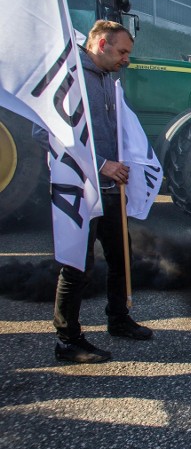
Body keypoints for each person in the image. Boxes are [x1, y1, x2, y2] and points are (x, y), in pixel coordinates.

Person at [33, 20, 153, 365]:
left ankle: (118, 319)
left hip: (113, 190)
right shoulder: (68, 79)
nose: (126, 59)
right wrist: (102, 165)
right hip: (82, 191)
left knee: (121, 260)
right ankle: (67, 340)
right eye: (122, 51)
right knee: (77, 267)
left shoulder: (111, 82)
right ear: (101, 44)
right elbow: (45, 133)